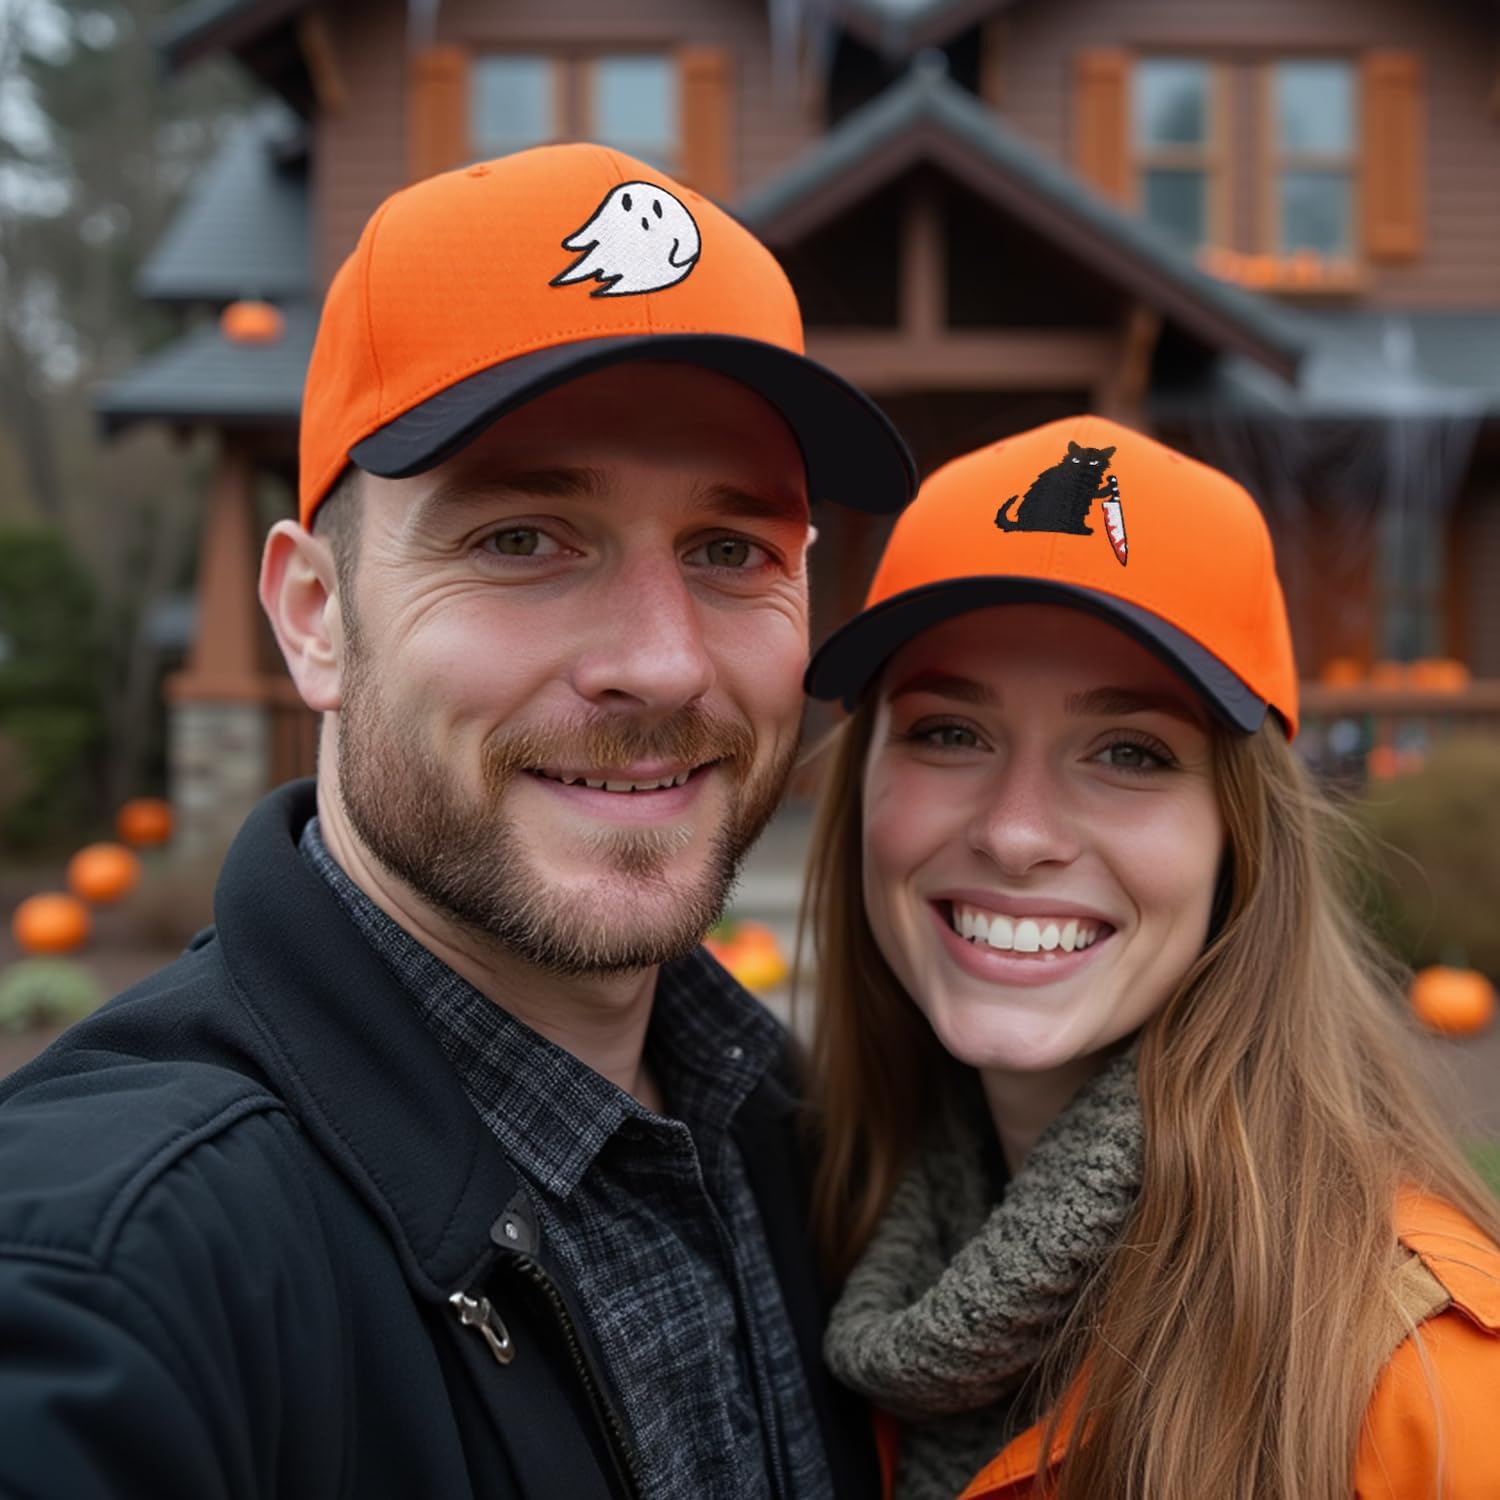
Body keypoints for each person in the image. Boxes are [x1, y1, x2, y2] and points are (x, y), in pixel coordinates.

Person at [0, 143, 915, 1499]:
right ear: (315, 614)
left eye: (732, 552)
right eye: (522, 540)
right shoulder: (122, 1265)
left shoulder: (813, 1142)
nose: (661, 664)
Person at [799, 415, 1500, 1500]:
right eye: (950, 733)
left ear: (1241, 838)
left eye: (1129, 752)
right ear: (863, 786)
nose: (1017, 831)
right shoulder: (817, 1217)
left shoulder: (1423, 1391)